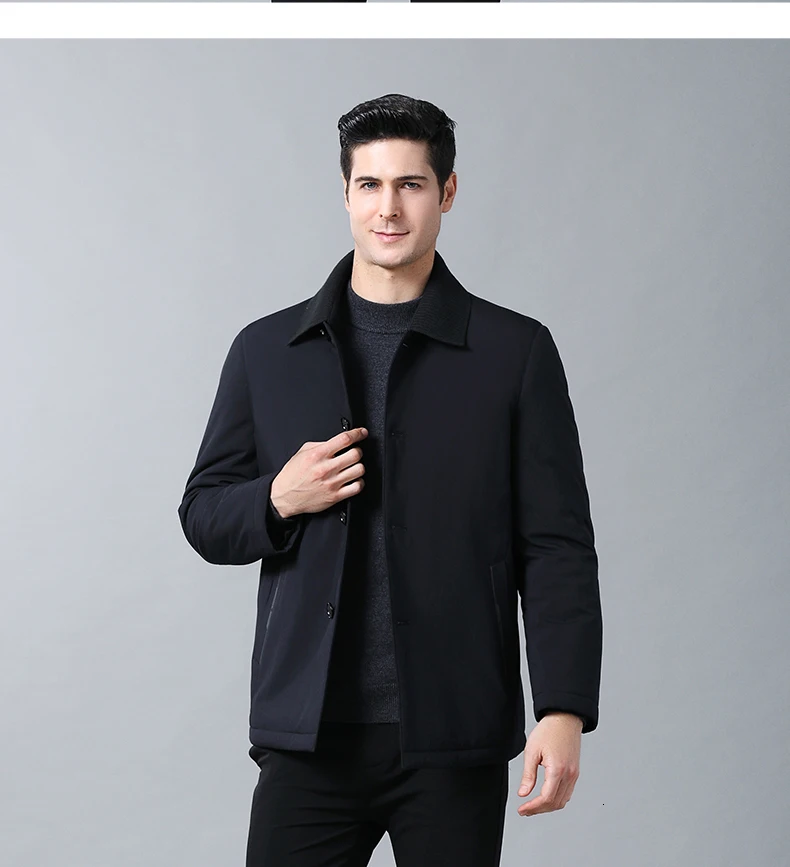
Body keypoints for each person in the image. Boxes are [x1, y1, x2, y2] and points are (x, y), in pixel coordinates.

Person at [177, 92, 603, 867]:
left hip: (453, 734)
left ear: (447, 192)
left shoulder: (513, 352)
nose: (389, 208)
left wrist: (563, 707)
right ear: (345, 193)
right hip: (309, 735)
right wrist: (278, 497)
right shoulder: (268, 350)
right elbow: (203, 514)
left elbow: (556, 545)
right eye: (369, 184)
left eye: (410, 184)